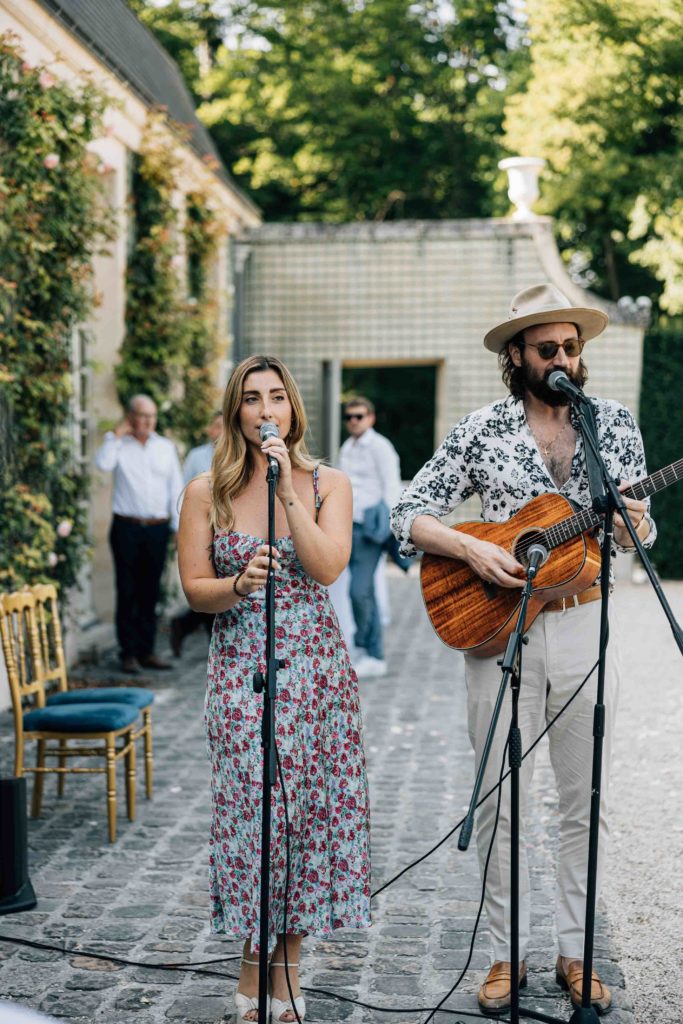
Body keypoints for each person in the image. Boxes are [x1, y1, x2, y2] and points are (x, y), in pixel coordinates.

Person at [391, 283, 655, 1016]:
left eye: (572, 347)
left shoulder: (613, 428)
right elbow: (404, 513)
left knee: (582, 802)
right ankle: (504, 955)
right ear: (517, 355)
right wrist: (471, 553)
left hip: (583, 619)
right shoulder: (480, 430)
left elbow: (642, 533)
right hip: (499, 629)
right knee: (501, 800)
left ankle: (575, 954)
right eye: (549, 350)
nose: (564, 359)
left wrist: (633, 522)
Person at [177, 355, 371, 1024]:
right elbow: (194, 591)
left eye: (277, 398)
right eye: (253, 399)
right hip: (240, 675)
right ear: (236, 413)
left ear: (293, 411)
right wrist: (236, 586)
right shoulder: (206, 490)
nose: (266, 410)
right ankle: (250, 971)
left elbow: (325, 569)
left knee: (304, 822)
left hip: (315, 676)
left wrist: (288, 491)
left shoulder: (328, 483)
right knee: (253, 823)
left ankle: (286, 973)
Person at [96, 394, 183, 674]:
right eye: (142, 416)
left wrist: (178, 528)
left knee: (151, 591)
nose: (147, 422)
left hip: (157, 528)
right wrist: (115, 435)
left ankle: (147, 651)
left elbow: (175, 488)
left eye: (151, 416)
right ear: (131, 416)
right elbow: (103, 464)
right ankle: (128, 653)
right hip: (127, 528)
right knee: (127, 590)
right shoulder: (118, 445)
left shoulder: (165, 447)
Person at [338, 396, 402, 678]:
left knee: (360, 590)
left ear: (371, 417)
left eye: (359, 416)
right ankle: (364, 649)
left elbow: (392, 488)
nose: (353, 421)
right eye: (349, 417)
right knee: (357, 591)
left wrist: (386, 528)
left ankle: (373, 653)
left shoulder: (381, 447)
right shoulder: (347, 447)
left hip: (370, 528)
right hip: (347, 525)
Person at [170, 411, 223, 657]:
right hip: (201, 529)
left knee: (220, 587)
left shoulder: (240, 456)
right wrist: (180, 530)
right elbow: (182, 492)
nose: (222, 431)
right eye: (217, 426)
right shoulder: (196, 457)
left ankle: (185, 625)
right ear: (211, 430)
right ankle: (213, 642)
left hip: (225, 531)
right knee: (206, 585)